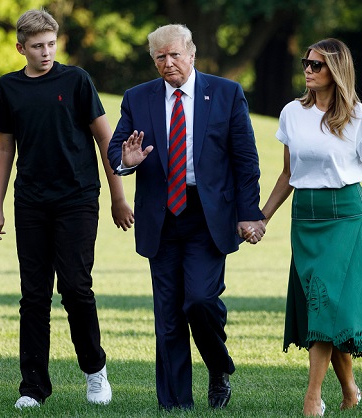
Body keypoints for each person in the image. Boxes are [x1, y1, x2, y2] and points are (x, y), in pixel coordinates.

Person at [106, 24, 265, 410]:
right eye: (160, 56)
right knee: (169, 316)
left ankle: (218, 366)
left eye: (175, 54)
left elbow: (245, 160)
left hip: (208, 216)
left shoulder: (225, 93)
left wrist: (250, 214)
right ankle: (176, 405)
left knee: (198, 301)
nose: (168, 63)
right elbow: (116, 152)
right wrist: (125, 163)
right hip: (160, 218)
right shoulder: (137, 98)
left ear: (192, 54)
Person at [0, 9, 134, 410]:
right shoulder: (8, 87)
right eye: (37, 46)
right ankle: (33, 387)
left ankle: (95, 370)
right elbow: (3, 147)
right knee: (33, 295)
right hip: (30, 201)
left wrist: (118, 197)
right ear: (21, 48)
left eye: (51, 44)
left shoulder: (77, 80)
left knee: (75, 288)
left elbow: (107, 142)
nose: (46, 52)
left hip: (78, 199)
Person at [260, 38, 362, 416]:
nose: (308, 70)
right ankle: (349, 388)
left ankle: (312, 398)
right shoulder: (291, 114)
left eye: (317, 65)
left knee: (325, 302)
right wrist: (263, 217)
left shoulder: (359, 116)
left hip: (346, 217)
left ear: (337, 71)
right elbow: (288, 173)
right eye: (306, 64)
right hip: (306, 218)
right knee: (325, 308)